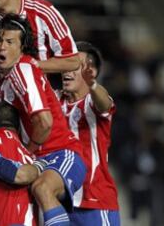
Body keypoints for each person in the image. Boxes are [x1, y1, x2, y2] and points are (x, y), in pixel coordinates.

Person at [0, 13, 86, 226]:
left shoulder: (22, 69)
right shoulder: (10, 77)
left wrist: (29, 149)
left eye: (9, 42)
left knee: (41, 188)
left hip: (62, 152)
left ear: (22, 47)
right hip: (42, 159)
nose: (2, 47)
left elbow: (44, 121)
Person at [59, 41, 120, 225]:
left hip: (94, 200)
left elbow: (105, 104)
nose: (67, 70)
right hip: (61, 201)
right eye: (65, 64)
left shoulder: (91, 104)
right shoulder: (54, 99)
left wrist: (92, 84)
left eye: (74, 66)